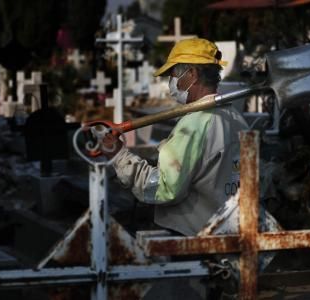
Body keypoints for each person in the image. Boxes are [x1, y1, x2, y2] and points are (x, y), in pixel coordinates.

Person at [102, 38, 249, 237]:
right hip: (235, 231)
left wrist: (119, 156)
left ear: (192, 74)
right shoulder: (235, 117)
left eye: (173, 74)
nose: (171, 83)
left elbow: (163, 188)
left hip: (197, 238)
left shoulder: (195, 123)